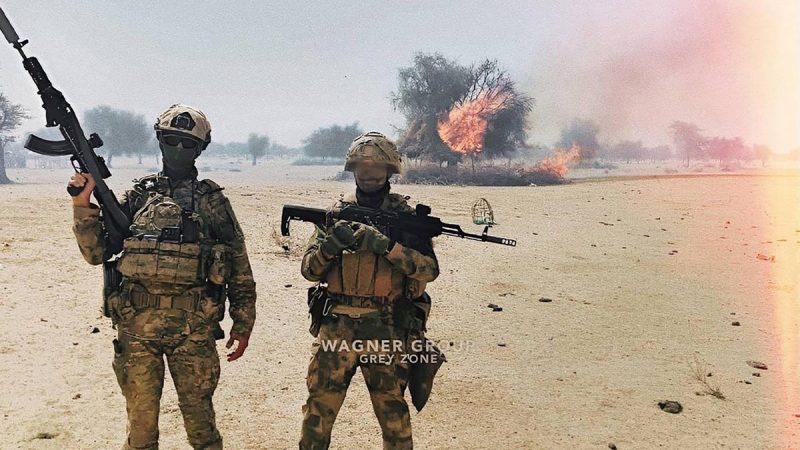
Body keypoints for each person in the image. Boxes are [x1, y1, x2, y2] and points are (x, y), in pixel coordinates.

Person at [70, 104, 256, 450]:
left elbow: (239, 267)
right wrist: (82, 205)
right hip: (136, 331)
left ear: (201, 148)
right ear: (159, 140)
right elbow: (96, 254)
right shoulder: (138, 196)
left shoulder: (212, 202)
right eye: (172, 140)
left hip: (193, 331)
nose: (179, 149)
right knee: (140, 432)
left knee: (202, 430)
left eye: (188, 143)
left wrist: (243, 325)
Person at [299, 131, 439, 450]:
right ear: (353, 169)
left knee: (393, 418)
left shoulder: (405, 219)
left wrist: (387, 247)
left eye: (376, 170)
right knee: (318, 414)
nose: (369, 176)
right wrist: (330, 246)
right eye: (362, 169)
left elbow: (429, 270)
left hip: (386, 326)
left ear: (390, 171)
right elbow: (309, 271)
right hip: (336, 327)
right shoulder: (336, 214)